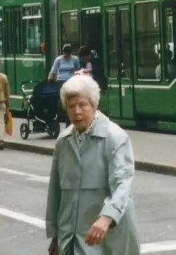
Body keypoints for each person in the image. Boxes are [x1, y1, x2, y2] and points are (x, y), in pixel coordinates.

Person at [46, 74, 140, 255]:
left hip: (107, 237)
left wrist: (107, 217)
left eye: (82, 104)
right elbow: (56, 193)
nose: (77, 111)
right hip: (71, 238)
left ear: (94, 105)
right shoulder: (63, 141)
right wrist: (56, 236)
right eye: (71, 106)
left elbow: (122, 183)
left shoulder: (114, 137)